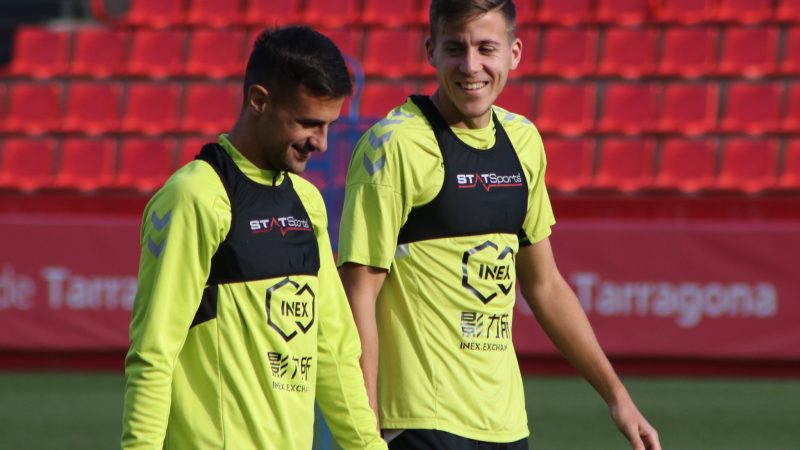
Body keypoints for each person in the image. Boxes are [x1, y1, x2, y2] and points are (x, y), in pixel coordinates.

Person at [337, 1, 661, 449]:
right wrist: (364, 430)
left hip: (505, 424)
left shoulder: (523, 141)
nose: (471, 66)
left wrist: (617, 396)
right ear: (431, 51)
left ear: (515, 53)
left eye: (486, 48)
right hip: (418, 421)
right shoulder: (394, 147)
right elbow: (359, 295)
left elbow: (545, 285)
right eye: (455, 49)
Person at [121, 26, 386, 450]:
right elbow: (154, 352)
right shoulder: (197, 197)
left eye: (328, 125)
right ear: (259, 101)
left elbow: (334, 351)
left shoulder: (307, 202)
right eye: (307, 123)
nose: (320, 142)